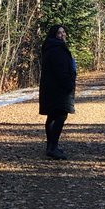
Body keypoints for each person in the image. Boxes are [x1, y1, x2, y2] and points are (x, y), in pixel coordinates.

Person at [38, 24, 77, 160]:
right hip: (58, 89)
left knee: (53, 116)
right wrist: (69, 83)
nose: (62, 35)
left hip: (50, 88)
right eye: (59, 33)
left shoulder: (51, 47)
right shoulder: (57, 49)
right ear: (54, 35)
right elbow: (61, 71)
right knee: (60, 116)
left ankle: (51, 146)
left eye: (63, 32)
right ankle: (52, 147)